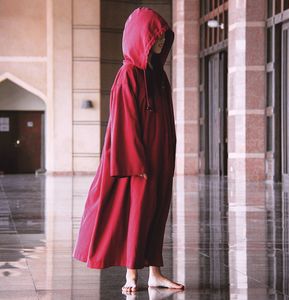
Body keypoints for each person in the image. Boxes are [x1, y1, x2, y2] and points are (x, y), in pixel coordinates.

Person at [72, 7, 184, 293]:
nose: (160, 44)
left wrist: (169, 154)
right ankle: (131, 275)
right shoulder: (128, 75)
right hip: (139, 163)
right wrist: (136, 163)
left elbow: (166, 119)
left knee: (157, 214)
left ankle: (155, 273)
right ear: (141, 39)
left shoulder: (159, 77)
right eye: (155, 38)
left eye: (162, 39)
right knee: (136, 215)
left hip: (159, 160)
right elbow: (123, 123)